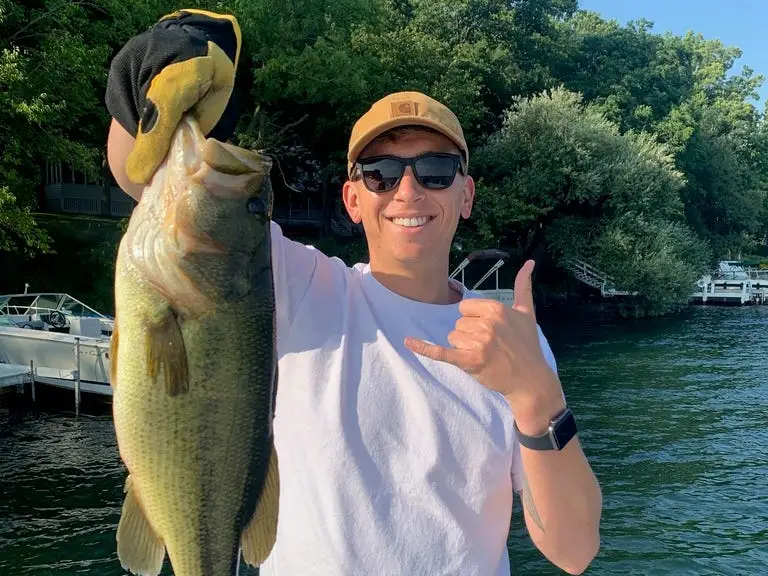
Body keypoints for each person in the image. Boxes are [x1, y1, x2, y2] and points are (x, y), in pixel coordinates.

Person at [105, 9, 602, 575]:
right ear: (352, 199)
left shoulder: (512, 340)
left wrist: (538, 398)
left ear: (466, 195)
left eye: (436, 169)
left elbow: (574, 549)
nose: (408, 189)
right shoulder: (298, 284)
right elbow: (138, 172)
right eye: (381, 172)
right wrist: (180, 48)